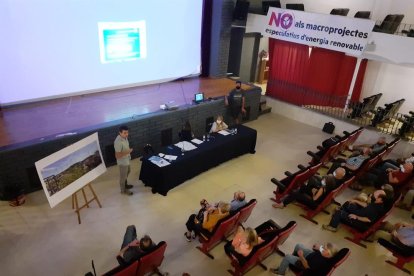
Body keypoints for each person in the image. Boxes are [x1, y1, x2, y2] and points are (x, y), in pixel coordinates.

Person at [322, 189, 386, 232]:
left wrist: (356, 217)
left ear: (380, 199)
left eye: (375, 194)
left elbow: (368, 220)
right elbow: (366, 205)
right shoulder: (377, 202)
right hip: (361, 213)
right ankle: (337, 217)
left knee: (339, 212)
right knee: (349, 203)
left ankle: (332, 227)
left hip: (360, 223)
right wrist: (355, 201)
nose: (373, 194)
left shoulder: (376, 209)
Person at [269, 242, 337, 275]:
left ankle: (281, 272)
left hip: (305, 263)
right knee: (299, 245)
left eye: (324, 248)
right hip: (311, 255)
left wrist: (301, 256)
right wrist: (318, 248)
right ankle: (290, 262)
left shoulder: (320, 261)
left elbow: (307, 267)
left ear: (327, 253)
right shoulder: (327, 254)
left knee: (287, 257)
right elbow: (320, 252)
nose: (322, 248)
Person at [272, 175, 336, 209]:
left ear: (326, 182)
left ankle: (282, 204)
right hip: (318, 200)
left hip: (313, 204)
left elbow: (314, 199)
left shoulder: (322, 188)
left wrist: (314, 193)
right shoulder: (329, 187)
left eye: (324, 179)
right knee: (305, 187)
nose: (322, 180)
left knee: (296, 193)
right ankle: (292, 197)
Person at [114, 125, 133, 195]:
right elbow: (117, 155)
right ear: (120, 133)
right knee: (123, 176)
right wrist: (128, 152)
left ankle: (125, 185)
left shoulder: (125, 138)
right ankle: (123, 190)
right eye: (125, 133)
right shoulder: (118, 142)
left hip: (127, 159)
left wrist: (128, 153)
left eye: (127, 132)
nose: (127, 134)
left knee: (128, 171)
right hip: (122, 162)